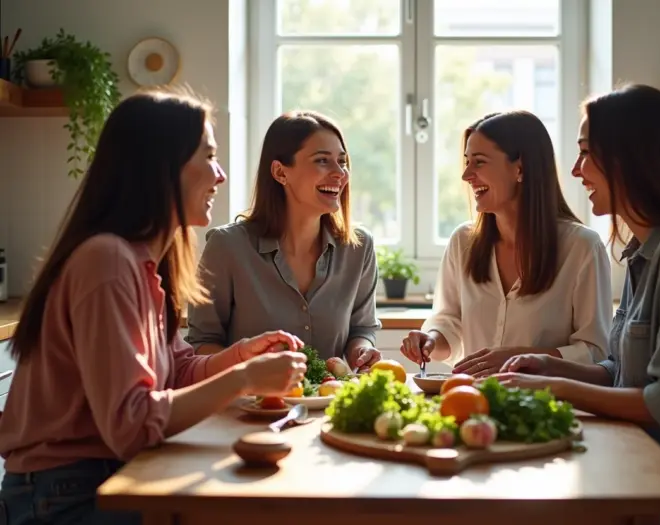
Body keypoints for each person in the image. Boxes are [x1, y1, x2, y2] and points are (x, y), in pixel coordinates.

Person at [0, 87, 308, 525]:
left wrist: (241, 356)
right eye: (208, 156)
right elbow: (131, 426)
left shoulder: (145, 260)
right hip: (66, 494)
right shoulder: (106, 261)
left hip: (107, 476)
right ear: (161, 167)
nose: (219, 175)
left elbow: (175, 368)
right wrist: (242, 378)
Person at [497, 84, 660, 525]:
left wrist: (556, 390)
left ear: (628, 158)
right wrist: (553, 368)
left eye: (586, 153)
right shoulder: (647, 254)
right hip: (641, 481)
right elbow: (622, 376)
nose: (576, 169)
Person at [400, 111, 612, 376]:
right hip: (470, 402)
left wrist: (524, 359)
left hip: (549, 408)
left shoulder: (582, 248)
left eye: (478, 162)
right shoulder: (462, 242)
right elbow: (449, 323)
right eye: (467, 162)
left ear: (520, 168)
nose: (466, 175)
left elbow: (596, 352)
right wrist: (430, 339)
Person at [186, 110, 382, 371]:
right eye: (322, 161)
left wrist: (362, 351)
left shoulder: (359, 247)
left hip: (326, 406)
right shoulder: (226, 247)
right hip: (252, 407)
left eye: (342, 162)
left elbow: (362, 328)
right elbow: (204, 343)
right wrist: (251, 374)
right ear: (280, 172)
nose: (340, 173)